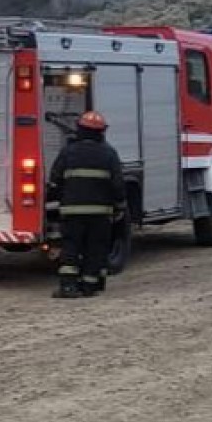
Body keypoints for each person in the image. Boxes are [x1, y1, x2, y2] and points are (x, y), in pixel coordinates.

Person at [45, 110, 125, 299]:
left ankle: (68, 287)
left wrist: (52, 204)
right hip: (101, 214)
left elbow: (55, 180)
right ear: (101, 132)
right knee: (96, 248)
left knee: (71, 247)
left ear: (80, 130)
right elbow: (118, 185)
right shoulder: (109, 154)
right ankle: (90, 286)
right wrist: (120, 207)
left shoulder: (68, 152)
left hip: (72, 212)